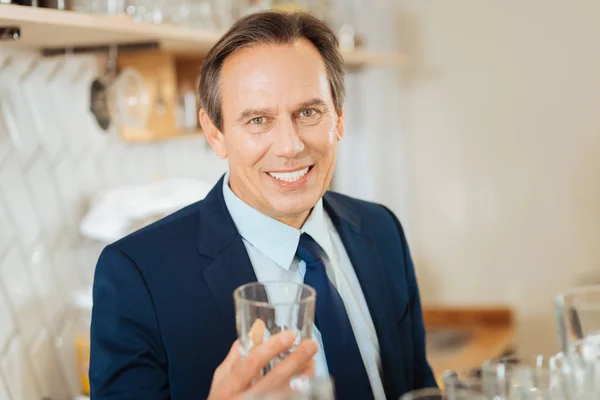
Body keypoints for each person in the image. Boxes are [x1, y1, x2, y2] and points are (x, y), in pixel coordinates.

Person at [89, 10, 437, 400]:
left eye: (308, 112)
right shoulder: (137, 276)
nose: (290, 146)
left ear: (338, 117)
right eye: (257, 120)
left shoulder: (381, 230)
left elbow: (417, 387)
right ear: (215, 133)